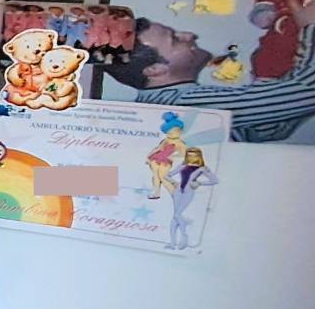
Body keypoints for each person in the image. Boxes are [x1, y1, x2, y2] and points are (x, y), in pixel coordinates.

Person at [112, 14, 315, 143]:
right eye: (174, 39)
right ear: (155, 69)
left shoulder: (157, 105)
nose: (189, 35)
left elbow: (273, 127)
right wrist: (310, 25)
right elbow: (308, 92)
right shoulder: (184, 105)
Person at [168, 146, 218, 250]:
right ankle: (172, 243)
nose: (191, 157)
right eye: (189, 155)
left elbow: (214, 180)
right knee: (175, 216)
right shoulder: (183, 165)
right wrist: (174, 182)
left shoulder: (202, 168)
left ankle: (184, 237)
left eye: (194, 155)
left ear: (199, 156)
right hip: (178, 191)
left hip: (189, 191)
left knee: (177, 215)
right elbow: (168, 175)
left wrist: (199, 183)